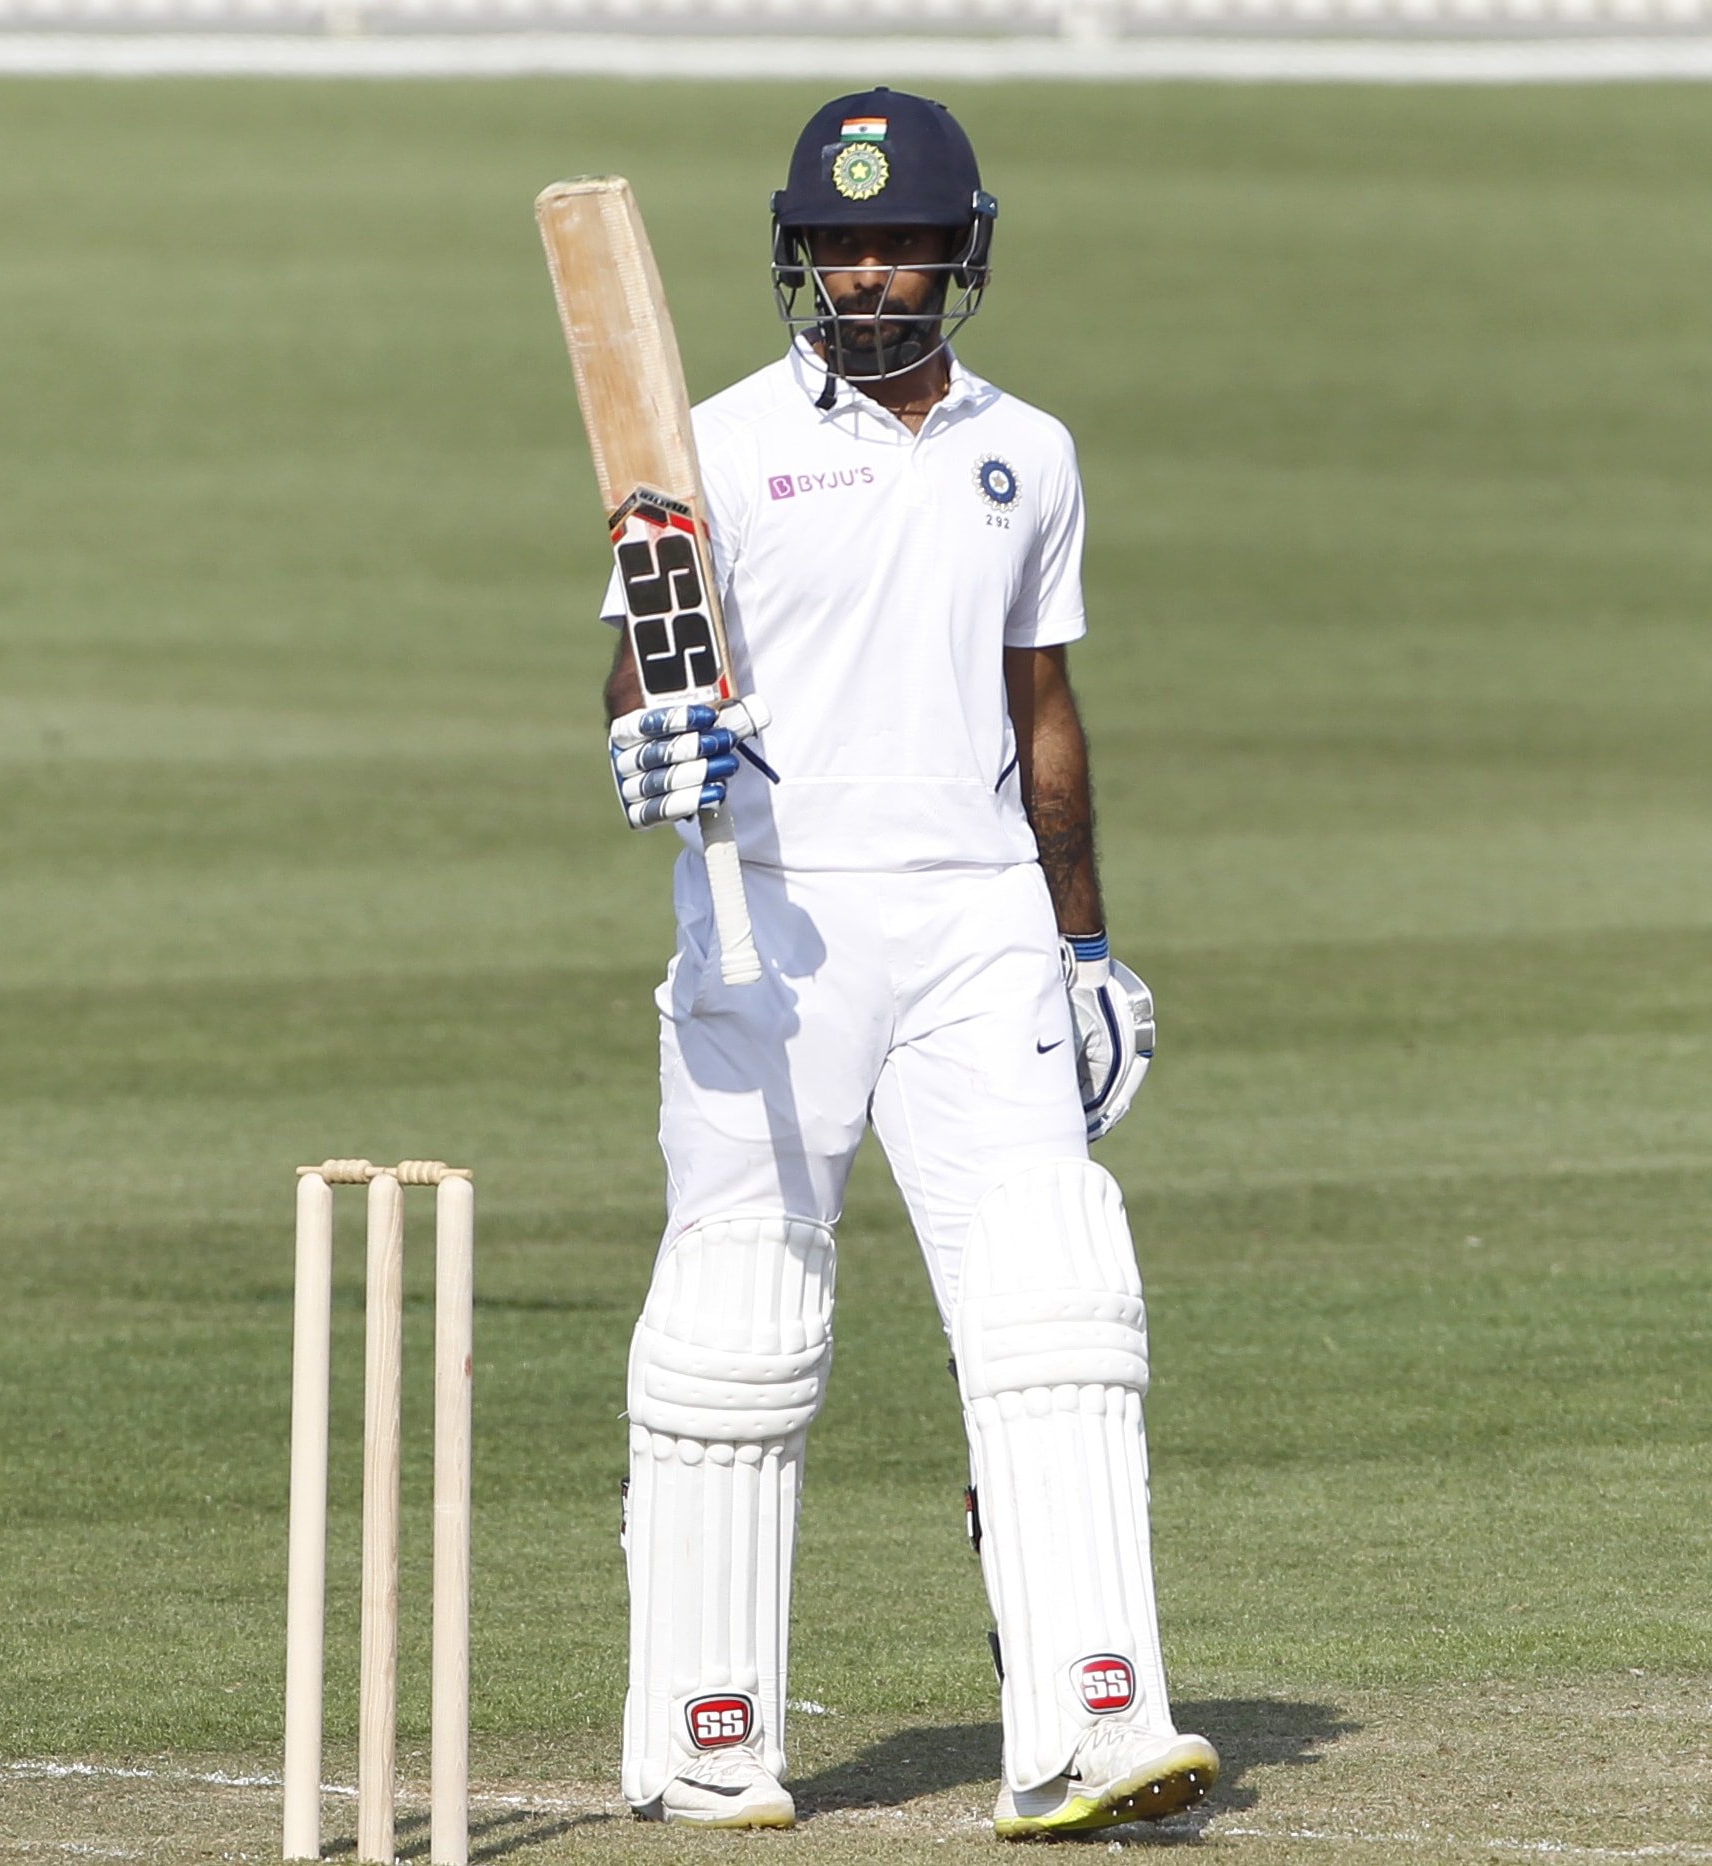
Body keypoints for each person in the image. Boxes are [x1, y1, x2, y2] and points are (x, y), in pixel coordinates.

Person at [598, 88, 1219, 1839]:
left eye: (904, 244)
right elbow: (643, 665)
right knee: (739, 1313)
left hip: (976, 922)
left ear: (960, 253)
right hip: (769, 911)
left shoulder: (1034, 450)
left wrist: (1084, 940)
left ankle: (1094, 1722)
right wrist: (648, 745)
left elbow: (1044, 710)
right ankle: (704, 1736)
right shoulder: (703, 439)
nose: (871, 275)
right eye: (842, 244)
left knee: (1054, 1301)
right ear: (799, 255)